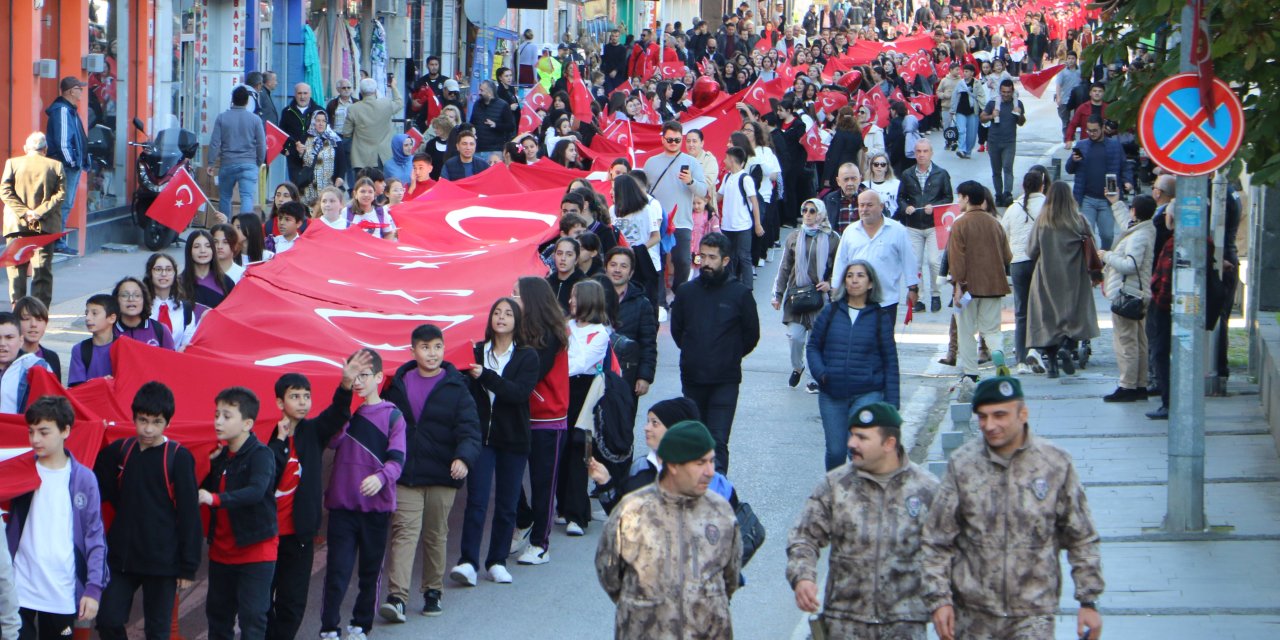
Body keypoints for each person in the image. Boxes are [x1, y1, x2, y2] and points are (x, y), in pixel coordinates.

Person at [923, 376, 1104, 640]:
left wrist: (1088, 602)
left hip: (1033, 615)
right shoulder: (963, 465)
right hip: (973, 616)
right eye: (982, 417)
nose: (990, 425)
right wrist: (939, 601)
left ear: (1023, 414)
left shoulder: (1054, 464)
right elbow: (937, 540)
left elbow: (1082, 537)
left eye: (999, 415)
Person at [787, 402, 940, 639]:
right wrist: (803, 577)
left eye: (862, 438)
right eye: (852, 436)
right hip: (845, 624)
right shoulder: (836, 485)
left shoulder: (926, 489)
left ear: (889, 443)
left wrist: (943, 601)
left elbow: (949, 550)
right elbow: (804, 537)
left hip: (904, 625)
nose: (851, 444)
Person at [595, 421, 742, 638]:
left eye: (711, 461)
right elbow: (609, 574)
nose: (710, 472)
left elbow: (731, 575)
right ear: (673, 465)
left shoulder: (721, 512)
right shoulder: (633, 512)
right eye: (700, 463)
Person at [380, 325, 481, 620]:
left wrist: (464, 458)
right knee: (404, 533)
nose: (432, 353)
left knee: (436, 534)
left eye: (437, 346)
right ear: (413, 351)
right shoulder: (397, 384)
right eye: (425, 347)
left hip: (443, 475)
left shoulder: (456, 386)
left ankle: (432, 591)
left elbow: (470, 431)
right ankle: (397, 598)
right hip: (406, 474)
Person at [93, 382, 201, 640]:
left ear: (168, 423)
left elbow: (189, 516)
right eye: (143, 420)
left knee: (158, 632)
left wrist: (188, 567)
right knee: (107, 620)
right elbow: (95, 484)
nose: (149, 429)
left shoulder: (178, 457)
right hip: (122, 558)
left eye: (156, 421)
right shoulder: (121, 451)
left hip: (163, 562)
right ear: (133, 418)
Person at [264, 361, 363, 640]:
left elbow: (338, 414)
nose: (303, 402)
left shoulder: (313, 432)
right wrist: (279, 441)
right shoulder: (265, 435)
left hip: (300, 535)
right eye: (295, 396)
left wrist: (345, 385)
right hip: (265, 535)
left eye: (306, 396)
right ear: (279, 402)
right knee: (260, 603)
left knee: (292, 603)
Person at [452, 298, 539, 586]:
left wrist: (485, 376)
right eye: (497, 313)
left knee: (507, 503)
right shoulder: (476, 352)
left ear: (517, 322)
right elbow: (463, 390)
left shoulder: (528, 356)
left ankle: (497, 561)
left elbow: (517, 393)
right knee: (476, 501)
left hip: (513, 440)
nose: (501, 318)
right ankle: (467, 561)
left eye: (508, 313)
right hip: (482, 439)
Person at [9, 396, 107, 639]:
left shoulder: (84, 479)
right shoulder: (20, 469)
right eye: (31, 432)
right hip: (19, 589)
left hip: (61, 593)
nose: (35, 439)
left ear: (66, 431)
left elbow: (95, 536)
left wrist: (93, 588)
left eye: (43, 432)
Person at [670, 232, 760, 474]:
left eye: (712, 257)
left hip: (725, 379)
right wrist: (693, 350)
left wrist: (729, 354)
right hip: (692, 376)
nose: (706, 262)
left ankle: (717, 497)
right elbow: (677, 330)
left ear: (726, 261)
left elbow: (751, 335)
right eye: (703, 256)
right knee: (696, 440)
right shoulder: (687, 292)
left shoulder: (739, 294)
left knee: (718, 441)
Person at [198, 387, 278, 640]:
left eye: (227, 416)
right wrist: (208, 466)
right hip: (221, 552)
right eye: (216, 414)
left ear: (247, 423)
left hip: (255, 551)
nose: (218, 421)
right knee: (218, 621)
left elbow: (256, 491)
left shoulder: (261, 454)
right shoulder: (220, 456)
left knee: (252, 620)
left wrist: (214, 498)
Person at [807, 260, 900, 470]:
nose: (854, 280)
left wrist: (893, 405)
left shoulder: (879, 317)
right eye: (849, 276)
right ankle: (834, 494)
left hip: (867, 393)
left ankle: (861, 495)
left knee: (859, 450)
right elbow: (813, 346)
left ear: (870, 283)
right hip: (832, 393)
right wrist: (821, 373)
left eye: (860, 276)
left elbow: (890, 361)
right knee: (836, 450)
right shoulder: (830, 312)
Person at [510, 277, 570, 567]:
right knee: (507, 477)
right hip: (520, 415)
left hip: (548, 418)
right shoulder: (517, 330)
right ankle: (524, 521)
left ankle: (540, 544)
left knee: (542, 483)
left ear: (531, 300)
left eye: (516, 295)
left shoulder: (552, 334)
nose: (511, 300)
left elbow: (530, 372)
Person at [555, 281, 613, 536]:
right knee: (561, 448)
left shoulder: (600, 333)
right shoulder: (566, 326)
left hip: (585, 393)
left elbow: (579, 363)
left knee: (580, 450)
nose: (571, 302)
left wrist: (559, 366)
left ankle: (578, 515)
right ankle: (563, 507)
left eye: (576, 298)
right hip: (562, 390)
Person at [1027, 181, 1101, 379]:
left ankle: (1051, 364)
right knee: (1073, 314)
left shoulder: (1042, 222)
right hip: (1074, 276)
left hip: (1046, 276)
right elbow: (1092, 244)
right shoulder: (1078, 220)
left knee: (1048, 317)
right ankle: (1067, 348)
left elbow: (1031, 250)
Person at [946, 182, 1013, 381]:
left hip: (968, 288)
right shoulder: (995, 222)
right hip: (994, 285)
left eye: (959, 197)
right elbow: (1007, 256)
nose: (958, 201)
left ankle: (971, 372)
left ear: (967, 198)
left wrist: (958, 285)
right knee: (991, 329)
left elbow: (956, 259)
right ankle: (997, 351)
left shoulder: (960, 223)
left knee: (966, 331)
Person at [773, 199, 839, 392]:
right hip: (797, 296)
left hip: (820, 297)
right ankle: (797, 367)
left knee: (815, 341)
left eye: (812, 211)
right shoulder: (794, 236)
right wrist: (777, 294)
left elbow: (841, 266)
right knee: (795, 337)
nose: (808, 214)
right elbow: (784, 266)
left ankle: (813, 378)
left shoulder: (832, 238)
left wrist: (830, 284)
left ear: (821, 213)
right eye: (804, 210)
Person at [1100, 193, 1157, 402]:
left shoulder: (1139, 236)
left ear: (1135, 211)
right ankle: (1140, 383)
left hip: (1128, 294)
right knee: (1139, 340)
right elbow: (1127, 225)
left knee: (1126, 342)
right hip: (1138, 293)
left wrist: (1107, 256)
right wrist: (1116, 203)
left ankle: (1128, 385)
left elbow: (1130, 265)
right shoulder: (1144, 229)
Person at [643, 121, 709, 298]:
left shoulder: (692, 163)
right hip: (657, 222)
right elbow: (643, 191)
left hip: (682, 221)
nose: (673, 143)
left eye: (677, 140)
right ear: (663, 139)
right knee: (658, 262)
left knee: (683, 261)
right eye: (670, 139)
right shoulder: (651, 163)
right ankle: (660, 300)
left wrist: (690, 182)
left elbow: (703, 191)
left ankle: (679, 294)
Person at [832, 190, 920, 320]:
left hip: (886, 300)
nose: (864, 209)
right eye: (861, 205)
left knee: (884, 339)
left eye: (869, 205)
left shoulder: (897, 230)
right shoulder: (850, 232)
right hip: (856, 299)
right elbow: (841, 261)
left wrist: (913, 289)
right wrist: (835, 288)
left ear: (881, 206)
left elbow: (909, 261)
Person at [2, 132, 65, 305]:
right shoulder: (56, 166)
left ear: (25, 148)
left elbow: (5, 192)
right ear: (45, 149)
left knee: (16, 270)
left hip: (17, 225)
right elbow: (60, 195)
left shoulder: (12, 164)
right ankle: (39, 313)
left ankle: (18, 311)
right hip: (44, 227)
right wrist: (38, 212)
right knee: (42, 271)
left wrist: (24, 212)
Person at [1001, 166, 1050, 373]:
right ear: (1043, 185)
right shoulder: (1048, 206)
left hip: (1018, 263)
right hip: (1040, 262)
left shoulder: (1013, 208)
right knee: (1042, 308)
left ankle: (1020, 359)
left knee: (1021, 312)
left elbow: (1002, 233)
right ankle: (1036, 349)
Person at [894, 139, 952, 313]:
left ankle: (935, 294)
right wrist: (906, 208)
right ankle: (917, 296)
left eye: (925, 151)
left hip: (933, 225)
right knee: (915, 263)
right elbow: (901, 197)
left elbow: (948, 197)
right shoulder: (907, 174)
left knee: (934, 261)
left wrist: (934, 207)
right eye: (918, 151)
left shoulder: (941, 174)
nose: (921, 155)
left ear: (931, 153)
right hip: (913, 225)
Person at [1066, 116, 1131, 249]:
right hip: (1086, 199)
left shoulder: (1115, 145)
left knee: (1107, 235)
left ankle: (1104, 259)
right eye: (1089, 130)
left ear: (1103, 128)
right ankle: (1090, 263)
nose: (1091, 133)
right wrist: (1073, 160)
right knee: (1086, 235)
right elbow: (1069, 169)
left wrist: (1128, 181)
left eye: (1095, 130)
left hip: (1107, 199)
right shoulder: (1081, 145)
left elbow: (1125, 166)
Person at [605, 247, 659, 401]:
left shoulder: (642, 303)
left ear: (631, 272)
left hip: (627, 374)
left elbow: (648, 343)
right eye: (613, 265)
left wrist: (645, 376)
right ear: (606, 267)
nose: (617, 270)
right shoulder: (594, 297)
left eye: (623, 266)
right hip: (596, 372)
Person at [44, 77, 89, 254]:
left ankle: (57, 240)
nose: (82, 92)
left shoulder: (68, 110)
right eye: (80, 88)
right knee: (63, 204)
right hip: (65, 166)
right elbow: (63, 142)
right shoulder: (63, 111)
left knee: (64, 204)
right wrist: (72, 162)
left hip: (69, 165)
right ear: (71, 91)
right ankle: (57, 242)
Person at [207, 86, 267, 218]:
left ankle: (225, 227)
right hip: (249, 163)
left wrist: (211, 163)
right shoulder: (255, 120)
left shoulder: (222, 118)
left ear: (232, 100)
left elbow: (215, 143)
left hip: (227, 163)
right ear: (247, 101)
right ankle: (244, 229)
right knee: (247, 197)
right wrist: (259, 161)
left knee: (225, 197)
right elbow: (262, 144)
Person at [718, 147, 764, 290]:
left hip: (743, 226)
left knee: (744, 257)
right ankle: (731, 286)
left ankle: (747, 288)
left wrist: (757, 224)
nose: (724, 161)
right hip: (727, 226)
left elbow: (754, 202)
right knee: (729, 258)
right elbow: (719, 196)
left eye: (726, 158)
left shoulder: (745, 179)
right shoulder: (727, 177)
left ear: (732, 160)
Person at [343, 77, 404, 177]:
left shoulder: (353, 108)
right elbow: (399, 102)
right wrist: (393, 87)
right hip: (383, 155)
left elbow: (346, 132)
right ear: (375, 91)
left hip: (361, 157)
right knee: (381, 187)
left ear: (361, 92)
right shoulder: (386, 104)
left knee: (362, 187)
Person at [145, 252, 207, 350]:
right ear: (149, 273)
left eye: (169, 269)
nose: (164, 274)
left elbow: (188, 342)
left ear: (174, 274)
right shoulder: (141, 306)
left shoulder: (185, 308)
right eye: (158, 269)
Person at [979, 80, 1026, 207]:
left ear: (1013, 92)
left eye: (1008, 92)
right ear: (1000, 91)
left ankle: (1007, 194)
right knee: (996, 170)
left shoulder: (1018, 103)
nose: (1006, 95)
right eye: (1004, 92)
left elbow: (1021, 122)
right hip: (994, 141)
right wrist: (991, 116)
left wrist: (1019, 114)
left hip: (1009, 142)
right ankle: (998, 195)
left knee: (1007, 167)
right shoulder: (993, 103)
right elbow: (982, 117)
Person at [112, 276, 176, 349]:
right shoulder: (109, 331)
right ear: (116, 300)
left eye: (137, 295)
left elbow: (171, 358)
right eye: (124, 295)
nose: (131, 299)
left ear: (144, 299)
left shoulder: (160, 330)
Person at [68, 294, 118, 387]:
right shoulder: (80, 349)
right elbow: (76, 389)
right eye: (87, 313)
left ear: (112, 318)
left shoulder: (122, 347)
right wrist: (100, 383)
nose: (88, 318)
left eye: (94, 313)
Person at [280, 83, 323, 186]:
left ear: (310, 94)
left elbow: (326, 134)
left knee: (313, 187)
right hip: (294, 156)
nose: (302, 96)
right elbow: (280, 133)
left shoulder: (319, 111)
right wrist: (285, 150)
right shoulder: (287, 112)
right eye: (299, 93)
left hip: (314, 156)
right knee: (296, 187)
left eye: (305, 93)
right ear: (295, 94)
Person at [181, 229, 236, 308]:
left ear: (213, 250)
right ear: (189, 251)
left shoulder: (226, 283)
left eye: (207, 246)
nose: (203, 251)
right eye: (197, 246)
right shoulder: (179, 283)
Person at [299, 111, 344, 205]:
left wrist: (340, 176)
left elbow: (342, 161)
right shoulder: (306, 138)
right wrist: (300, 153)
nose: (320, 123)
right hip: (308, 185)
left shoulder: (334, 139)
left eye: (323, 121)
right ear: (313, 121)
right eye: (318, 120)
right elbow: (298, 161)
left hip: (328, 184)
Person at [14, 297, 61, 380]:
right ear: (16, 323)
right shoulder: (9, 357)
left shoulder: (52, 358)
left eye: (39, 319)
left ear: (46, 323)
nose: (33, 324)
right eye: (26, 319)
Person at [945, 64, 985, 159]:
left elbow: (981, 96)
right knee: (961, 130)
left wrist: (984, 109)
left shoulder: (977, 83)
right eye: (964, 71)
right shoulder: (960, 83)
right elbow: (955, 97)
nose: (965, 73)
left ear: (972, 73)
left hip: (973, 111)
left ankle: (968, 151)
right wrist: (952, 110)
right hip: (961, 111)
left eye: (967, 71)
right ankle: (961, 149)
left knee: (972, 133)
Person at [469, 81, 515, 154]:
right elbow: (472, 123)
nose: (479, 93)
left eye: (481, 90)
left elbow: (511, 127)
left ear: (490, 92)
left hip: (495, 150)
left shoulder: (503, 105)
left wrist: (496, 125)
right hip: (478, 148)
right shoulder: (477, 104)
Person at [822, 162, 865, 234]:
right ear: (838, 181)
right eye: (846, 179)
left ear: (860, 179)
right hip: (838, 243)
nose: (850, 183)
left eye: (853, 179)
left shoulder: (870, 198)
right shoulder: (829, 199)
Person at [546, 236, 585, 313]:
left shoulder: (584, 284)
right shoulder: (546, 283)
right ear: (554, 256)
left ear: (576, 259)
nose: (563, 258)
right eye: (559, 253)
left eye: (569, 254)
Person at [861, 151, 900, 219]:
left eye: (883, 164)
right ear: (871, 167)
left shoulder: (897, 184)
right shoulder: (864, 185)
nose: (879, 167)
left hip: (894, 221)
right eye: (876, 164)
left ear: (887, 167)